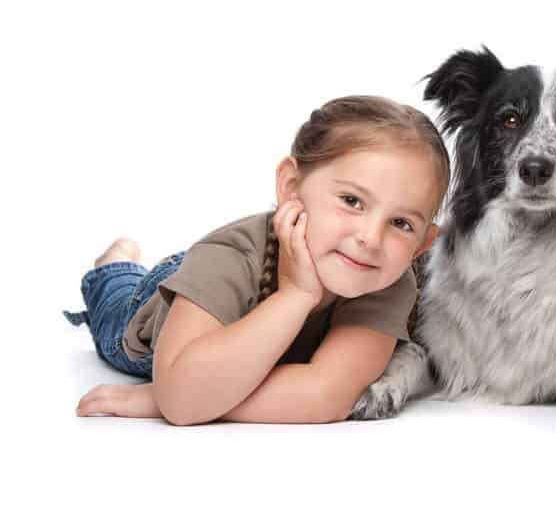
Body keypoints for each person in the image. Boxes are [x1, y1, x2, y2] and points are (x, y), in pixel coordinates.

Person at [66, 95, 450, 426]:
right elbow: (184, 400)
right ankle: (115, 264)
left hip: (223, 353)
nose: (370, 237)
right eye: (352, 201)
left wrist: (170, 400)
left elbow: (326, 395)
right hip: (163, 310)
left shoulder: (386, 280)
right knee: (116, 307)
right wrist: (296, 293)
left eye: (400, 223)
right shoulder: (231, 256)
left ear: (422, 244)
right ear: (291, 187)